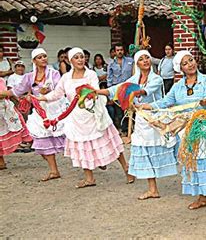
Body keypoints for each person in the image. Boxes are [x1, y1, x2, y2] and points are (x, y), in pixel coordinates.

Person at [144, 50, 206, 209]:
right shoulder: (177, 87)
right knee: (197, 162)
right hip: (188, 129)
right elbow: (165, 102)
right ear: (180, 68)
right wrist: (147, 106)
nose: (190, 64)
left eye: (191, 60)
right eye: (185, 63)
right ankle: (203, 197)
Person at [37, 48, 134, 188]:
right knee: (82, 147)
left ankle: (127, 169)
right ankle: (89, 178)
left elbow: (94, 90)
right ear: (71, 61)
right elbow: (56, 94)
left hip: (93, 114)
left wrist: (85, 94)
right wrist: (41, 98)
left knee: (110, 142)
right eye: (76, 57)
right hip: (76, 118)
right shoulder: (66, 78)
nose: (80, 60)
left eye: (82, 57)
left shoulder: (91, 74)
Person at [98, 50, 171, 199]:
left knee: (158, 150)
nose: (145, 61)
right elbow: (117, 89)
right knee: (144, 152)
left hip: (154, 119)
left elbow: (144, 91)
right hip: (141, 121)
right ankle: (152, 189)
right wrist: (96, 91)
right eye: (141, 59)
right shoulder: (134, 79)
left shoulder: (156, 79)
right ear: (137, 63)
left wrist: (132, 94)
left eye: (147, 58)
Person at [0, 48, 66, 181]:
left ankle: (93, 159)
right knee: (40, 141)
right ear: (34, 60)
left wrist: (47, 92)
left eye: (45, 56)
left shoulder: (54, 74)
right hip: (40, 112)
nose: (43, 59)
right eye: (40, 57)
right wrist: (2, 94)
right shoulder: (29, 77)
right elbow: (16, 91)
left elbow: (60, 90)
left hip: (56, 109)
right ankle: (54, 171)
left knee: (73, 137)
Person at [0, 78, 32, 170]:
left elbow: (3, 94)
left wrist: (17, 100)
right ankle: (1, 163)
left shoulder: (1, 80)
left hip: (5, 111)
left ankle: (40, 146)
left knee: (19, 129)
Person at [107, 44, 134, 135]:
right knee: (119, 110)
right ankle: (122, 129)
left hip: (128, 88)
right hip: (117, 89)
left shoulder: (130, 61)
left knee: (128, 109)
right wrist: (110, 94)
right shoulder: (111, 64)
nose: (120, 52)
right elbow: (109, 78)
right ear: (114, 52)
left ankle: (128, 129)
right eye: (117, 50)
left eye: (121, 50)